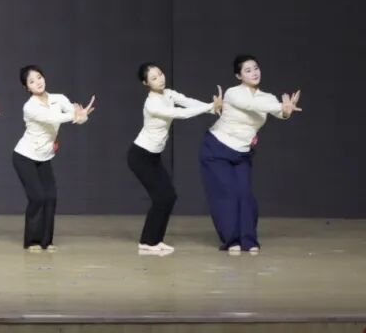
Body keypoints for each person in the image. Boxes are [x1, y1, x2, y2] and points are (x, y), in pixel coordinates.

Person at [200, 54, 301, 254]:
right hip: (216, 149)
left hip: (242, 153)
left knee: (245, 196)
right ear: (239, 76)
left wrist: (286, 111)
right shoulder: (233, 93)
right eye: (247, 70)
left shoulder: (268, 97)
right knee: (227, 195)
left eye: (256, 68)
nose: (254, 73)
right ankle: (232, 241)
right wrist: (280, 107)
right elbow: (251, 106)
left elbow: (279, 113)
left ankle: (249, 240)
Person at [128, 62, 219, 254]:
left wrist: (212, 108)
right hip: (140, 156)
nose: (160, 79)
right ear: (146, 83)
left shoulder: (168, 94)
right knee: (161, 197)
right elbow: (180, 113)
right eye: (154, 78)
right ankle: (147, 242)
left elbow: (188, 102)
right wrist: (211, 106)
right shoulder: (152, 103)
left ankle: (155, 240)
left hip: (153, 156)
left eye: (160, 74)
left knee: (169, 196)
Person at [11, 64, 94, 251]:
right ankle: (32, 241)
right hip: (24, 156)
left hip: (44, 157)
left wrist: (82, 116)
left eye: (39, 77)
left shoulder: (59, 98)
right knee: (37, 197)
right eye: (32, 81)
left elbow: (77, 117)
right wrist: (74, 114)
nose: (38, 82)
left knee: (50, 197)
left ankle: (46, 241)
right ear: (26, 87)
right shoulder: (29, 107)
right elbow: (52, 118)